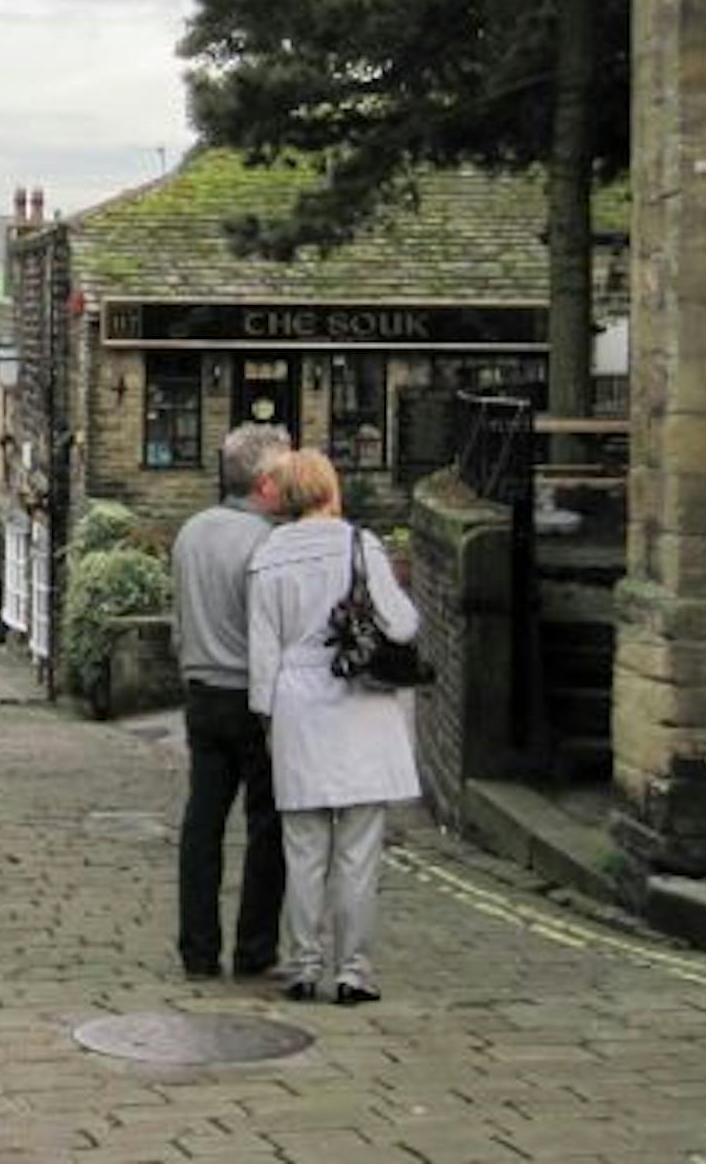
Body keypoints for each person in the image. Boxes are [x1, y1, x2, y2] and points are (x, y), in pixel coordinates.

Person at [247, 448, 420, 1005]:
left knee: (303, 850)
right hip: (359, 706)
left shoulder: (268, 555)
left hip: (298, 707)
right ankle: (353, 971)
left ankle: (301, 965)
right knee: (357, 852)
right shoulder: (359, 546)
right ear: (328, 488)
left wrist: (267, 720)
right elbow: (403, 621)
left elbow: (262, 656)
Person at [171, 422, 290, 981]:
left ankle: (197, 950)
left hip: (201, 693)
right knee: (267, 827)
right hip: (254, 695)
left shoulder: (191, 531)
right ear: (264, 480)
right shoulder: (269, 542)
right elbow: (272, 630)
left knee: (203, 824)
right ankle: (254, 950)